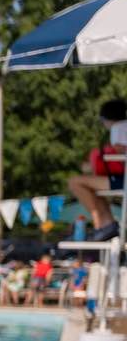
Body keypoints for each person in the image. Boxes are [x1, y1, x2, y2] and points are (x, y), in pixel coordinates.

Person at [66, 99, 127, 238]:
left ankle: (100, 223)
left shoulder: (118, 128)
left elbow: (119, 151)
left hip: (123, 179)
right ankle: (107, 223)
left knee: (75, 182)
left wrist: (97, 161)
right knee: (90, 186)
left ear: (106, 118)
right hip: (121, 178)